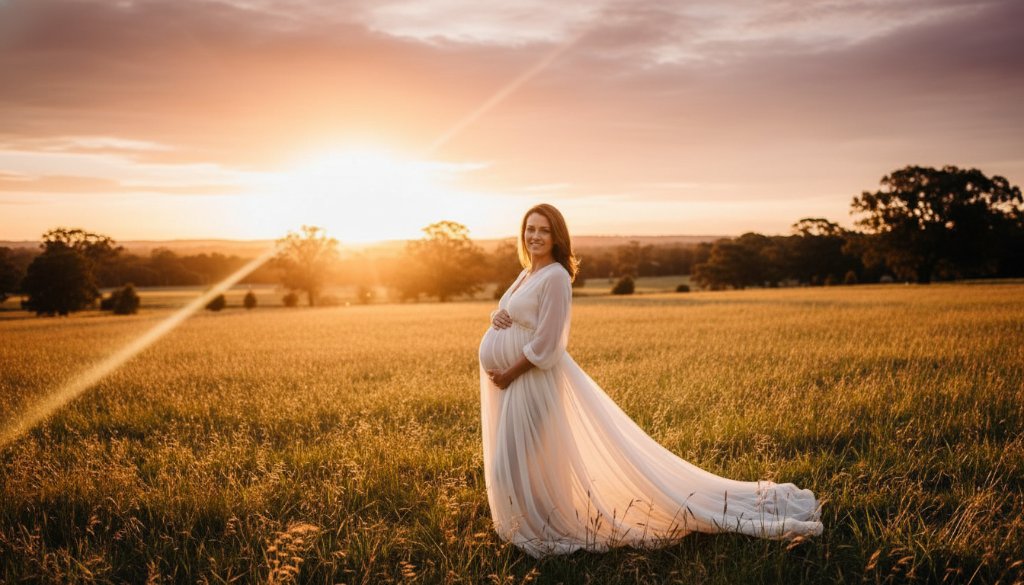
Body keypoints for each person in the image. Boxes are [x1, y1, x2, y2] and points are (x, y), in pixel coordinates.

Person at [478, 203, 823, 558]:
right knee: (524, 462)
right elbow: (515, 308)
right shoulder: (528, 272)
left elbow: (548, 344)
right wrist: (497, 315)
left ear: (557, 237)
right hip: (513, 384)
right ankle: (533, 519)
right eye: (530, 229)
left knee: (513, 463)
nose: (535, 236)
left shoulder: (555, 276)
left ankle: (541, 526)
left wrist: (508, 372)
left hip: (531, 382)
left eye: (543, 230)